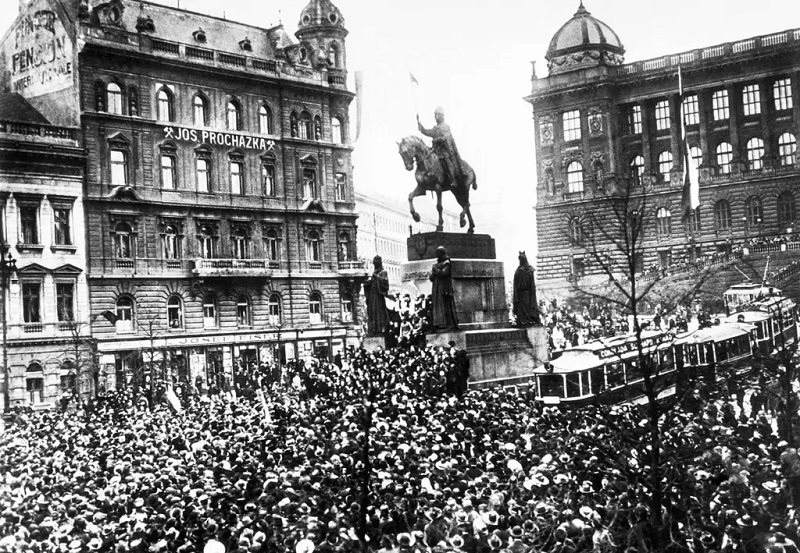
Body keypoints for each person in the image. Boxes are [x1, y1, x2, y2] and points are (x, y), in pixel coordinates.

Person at [417, 106, 472, 189]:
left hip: (445, 150)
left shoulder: (445, 126)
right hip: (435, 150)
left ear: (441, 115)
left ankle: (453, 180)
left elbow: (446, 137)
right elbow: (427, 132)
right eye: (435, 115)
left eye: (437, 115)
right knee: (427, 158)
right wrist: (419, 124)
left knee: (447, 161)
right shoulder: (436, 128)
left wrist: (437, 139)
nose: (435, 117)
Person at [429, 246, 459, 331]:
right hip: (436, 288)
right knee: (437, 305)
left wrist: (436, 270)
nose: (436, 255)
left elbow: (444, 273)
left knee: (445, 305)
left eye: (437, 253)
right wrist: (432, 274)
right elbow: (432, 278)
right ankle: (438, 323)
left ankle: (447, 323)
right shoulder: (436, 264)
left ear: (441, 253)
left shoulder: (447, 263)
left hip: (444, 287)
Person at [364, 255, 391, 336]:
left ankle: (380, 329)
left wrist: (377, 277)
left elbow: (385, 283)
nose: (375, 265)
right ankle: (373, 329)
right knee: (372, 312)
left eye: (376, 263)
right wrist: (366, 283)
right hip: (372, 296)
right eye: (374, 263)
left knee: (379, 312)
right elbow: (370, 282)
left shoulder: (383, 272)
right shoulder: (374, 273)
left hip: (378, 296)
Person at [513, 251, 540, 326]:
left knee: (529, 307)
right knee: (522, 309)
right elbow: (516, 284)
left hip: (528, 293)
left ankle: (530, 319)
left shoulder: (528, 270)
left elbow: (531, 283)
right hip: (521, 293)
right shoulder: (518, 271)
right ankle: (524, 320)